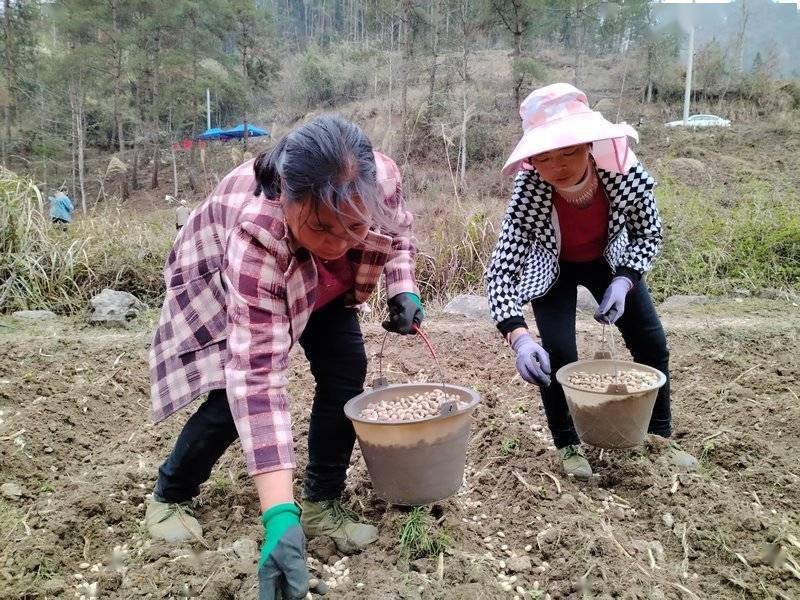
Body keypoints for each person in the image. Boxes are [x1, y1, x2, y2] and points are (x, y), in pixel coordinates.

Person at [145, 115, 423, 599]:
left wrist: (402, 286)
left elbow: (397, 233)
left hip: (324, 288)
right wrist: (277, 518)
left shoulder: (380, 179)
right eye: (322, 227)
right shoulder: (257, 232)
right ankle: (170, 494)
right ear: (287, 197)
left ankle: (321, 501)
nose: (340, 243)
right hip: (230, 276)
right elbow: (256, 379)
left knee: (345, 370)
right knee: (230, 401)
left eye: (354, 227)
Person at [486, 83, 697, 481]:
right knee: (557, 355)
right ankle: (567, 445)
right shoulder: (529, 192)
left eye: (568, 150)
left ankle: (660, 438)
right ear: (531, 160)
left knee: (651, 342)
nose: (558, 165)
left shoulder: (624, 173)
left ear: (588, 145)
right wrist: (519, 337)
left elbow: (649, 233)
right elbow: (501, 271)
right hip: (552, 267)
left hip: (609, 262)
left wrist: (625, 279)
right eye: (544, 157)